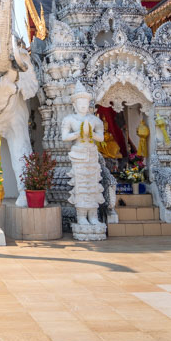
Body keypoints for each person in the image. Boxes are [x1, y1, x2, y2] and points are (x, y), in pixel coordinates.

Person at [60, 82, 106, 239]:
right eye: (80, 103)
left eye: (85, 103)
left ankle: (93, 216)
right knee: (81, 186)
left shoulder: (94, 120)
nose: (83, 106)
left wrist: (91, 133)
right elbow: (65, 137)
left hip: (91, 154)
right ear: (74, 104)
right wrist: (79, 133)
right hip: (78, 153)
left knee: (93, 186)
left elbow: (101, 137)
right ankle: (81, 216)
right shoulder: (70, 119)